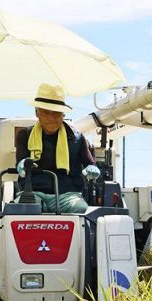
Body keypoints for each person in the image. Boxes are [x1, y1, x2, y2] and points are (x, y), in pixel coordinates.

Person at [15, 83, 99, 213]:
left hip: (68, 195)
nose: (51, 117)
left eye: (56, 113)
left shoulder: (77, 138)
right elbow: (20, 160)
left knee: (80, 209)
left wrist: (92, 168)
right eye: (46, 112)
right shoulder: (24, 135)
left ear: (63, 115)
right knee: (24, 209)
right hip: (33, 192)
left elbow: (89, 163)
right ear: (37, 113)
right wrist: (21, 164)